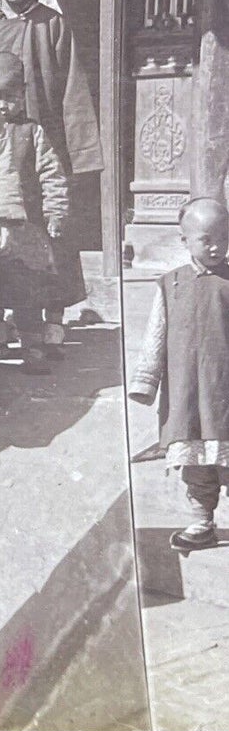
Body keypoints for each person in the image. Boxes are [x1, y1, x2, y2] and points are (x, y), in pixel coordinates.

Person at [0, 0, 102, 345]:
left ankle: (54, 317)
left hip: (44, 138)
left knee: (52, 229)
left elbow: (72, 89)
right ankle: (4, 317)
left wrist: (79, 152)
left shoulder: (53, 24)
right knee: (5, 229)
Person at [129, 199, 229, 553]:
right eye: (206, 239)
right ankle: (202, 521)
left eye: (223, 237)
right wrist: (145, 383)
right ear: (185, 241)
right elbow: (156, 335)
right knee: (196, 461)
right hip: (187, 393)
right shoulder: (170, 285)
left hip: (224, 392)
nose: (216, 246)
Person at [0, 52, 69, 368]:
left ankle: (33, 347)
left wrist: (55, 211)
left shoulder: (31, 132)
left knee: (28, 292)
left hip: (25, 233)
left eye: (9, 97)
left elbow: (51, 172)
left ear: (22, 94)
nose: (1, 106)